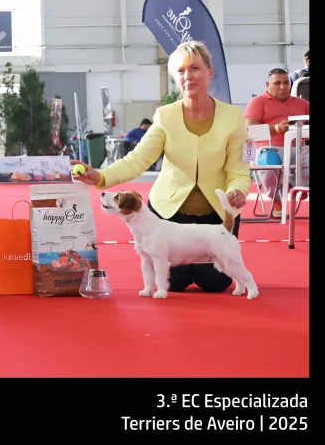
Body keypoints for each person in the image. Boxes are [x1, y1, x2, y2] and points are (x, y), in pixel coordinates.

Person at [72, 40, 251, 294]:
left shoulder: (233, 117)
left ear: (210, 72)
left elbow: (239, 170)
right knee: (174, 283)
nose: (188, 76)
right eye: (181, 71)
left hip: (215, 217)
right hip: (169, 215)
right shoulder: (165, 116)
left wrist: (238, 191)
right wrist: (100, 176)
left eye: (195, 69)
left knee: (215, 283)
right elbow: (137, 160)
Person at [243, 67, 310, 217]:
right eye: (277, 83)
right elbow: (249, 131)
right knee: (269, 161)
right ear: (268, 84)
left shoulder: (302, 103)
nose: (283, 87)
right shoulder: (258, 102)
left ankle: (300, 187)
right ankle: (277, 199)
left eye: (286, 83)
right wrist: (277, 129)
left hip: (298, 149)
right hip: (268, 149)